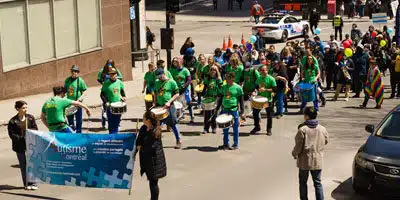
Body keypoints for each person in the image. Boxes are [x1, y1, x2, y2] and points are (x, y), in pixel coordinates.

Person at [292, 106, 329, 200]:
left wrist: (294, 153)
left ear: (307, 116)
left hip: (305, 160)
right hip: (318, 160)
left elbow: (298, 146)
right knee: (317, 183)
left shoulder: (302, 129)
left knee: (303, 182)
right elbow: (326, 141)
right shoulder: (322, 129)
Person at [8, 100, 39, 190]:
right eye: (23, 108)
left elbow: (35, 129)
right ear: (18, 109)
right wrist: (21, 138)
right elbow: (12, 134)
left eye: (26, 107)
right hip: (19, 146)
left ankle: (33, 183)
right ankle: (26, 183)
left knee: (32, 164)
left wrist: (30, 133)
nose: (26, 109)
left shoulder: (30, 118)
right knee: (23, 165)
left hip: (30, 145)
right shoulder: (13, 121)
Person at [136, 111, 166, 200]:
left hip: (155, 161)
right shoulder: (143, 128)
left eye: (144, 118)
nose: (142, 120)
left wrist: (141, 148)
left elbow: (153, 147)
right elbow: (139, 141)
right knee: (151, 181)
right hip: (146, 160)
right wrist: (136, 150)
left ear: (148, 120)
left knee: (153, 182)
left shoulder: (156, 131)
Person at [154, 68, 182, 149]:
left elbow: (177, 94)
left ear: (163, 74)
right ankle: (157, 143)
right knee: (158, 125)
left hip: (169, 106)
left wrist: (169, 101)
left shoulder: (171, 82)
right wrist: (155, 101)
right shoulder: (157, 83)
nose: (159, 78)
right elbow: (156, 93)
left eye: (160, 76)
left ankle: (178, 140)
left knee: (173, 124)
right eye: (158, 77)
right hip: (160, 106)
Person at [216, 72, 244, 150]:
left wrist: (242, 111)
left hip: (234, 110)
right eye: (226, 79)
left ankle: (235, 144)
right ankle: (225, 144)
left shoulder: (238, 88)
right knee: (225, 128)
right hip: (225, 109)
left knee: (235, 128)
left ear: (232, 79)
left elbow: (241, 100)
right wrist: (217, 108)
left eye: (228, 79)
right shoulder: (224, 87)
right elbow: (221, 98)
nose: (227, 80)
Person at [251, 65, 276, 135]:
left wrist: (266, 90)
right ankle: (257, 127)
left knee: (269, 115)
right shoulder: (259, 78)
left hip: (268, 100)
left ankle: (269, 129)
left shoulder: (271, 79)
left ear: (267, 71)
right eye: (262, 70)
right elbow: (256, 86)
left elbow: (275, 89)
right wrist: (255, 91)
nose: (263, 71)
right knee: (255, 113)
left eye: (265, 70)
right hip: (259, 99)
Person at [97, 59, 123, 129]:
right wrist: (103, 83)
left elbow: (120, 77)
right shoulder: (102, 70)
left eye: (111, 65)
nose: (110, 67)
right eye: (109, 65)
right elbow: (98, 78)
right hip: (106, 90)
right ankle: (104, 123)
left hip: (114, 90)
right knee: (105, 107)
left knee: (116, 108)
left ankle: (117, 123)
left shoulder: (116, 70)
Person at [100, 68, 127, 134]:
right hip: (110, 106)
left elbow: (122, 91)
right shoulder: (106, 83)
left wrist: (123, 97)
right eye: (111, 74)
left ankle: (115, 137)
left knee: (117, 122)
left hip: (118, 105)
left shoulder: (119, 82)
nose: (112, 75)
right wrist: (106, 102)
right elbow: (102, 94)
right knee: (110, 123)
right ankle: (111, 136)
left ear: (116, 74)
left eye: (113, 74)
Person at [169, 57, 194, 123]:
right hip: (177, 89)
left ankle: (192, 116)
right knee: (178, 103)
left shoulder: (185, 70)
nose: (176, 63)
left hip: (185, 89)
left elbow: (189, 80)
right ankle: (179, 116)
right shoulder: (172, 70)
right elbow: (170, 79)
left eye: (177, 62)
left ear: (181, 62)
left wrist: (184, 86)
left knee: (189, 102)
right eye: (175, 62)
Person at [64, 65, 87, 133]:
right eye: (72, 71)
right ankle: (73, 132)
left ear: (78, 72)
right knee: (70, 121)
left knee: (78, 120)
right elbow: (64, 90)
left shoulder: (80, 81)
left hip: (78, 104)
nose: (73, 72)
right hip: (69, 103)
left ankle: (79, 133)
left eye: (75, 71)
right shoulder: (67, 80)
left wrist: (80, 99)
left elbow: (85, 91)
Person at [201, 65, 223, 134]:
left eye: (214, 70)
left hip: (215, 97)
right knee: (207, 114)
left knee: (214, 113)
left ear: (216, 71)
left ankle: (214, 127)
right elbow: (205, 87)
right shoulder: (208, 78)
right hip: (208, 97)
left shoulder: (218, 79)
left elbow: (221, 88)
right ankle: (206, 128)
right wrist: (202, 95)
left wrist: (219, 97)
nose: (213, 71)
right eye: (211, 70)